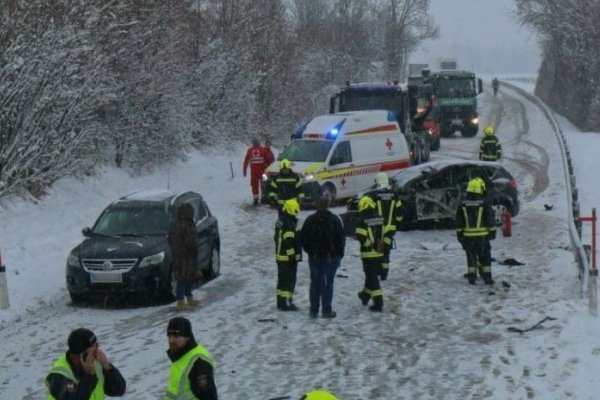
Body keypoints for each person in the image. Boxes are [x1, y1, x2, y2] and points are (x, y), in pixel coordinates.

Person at [45, 328, 126, 400]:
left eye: (97, 346)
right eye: (93, 348)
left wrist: (108, 368)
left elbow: (119, 390)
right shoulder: (60, 375)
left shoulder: (96, 365)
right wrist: (88, 376)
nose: (97, 351)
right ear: (81, 355)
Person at [300, 194, 346, 319]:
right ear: (328, 204)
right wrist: (339, 254)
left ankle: (313, 311)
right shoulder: (334, 220)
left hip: (315, 257)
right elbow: (341, 239)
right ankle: (326, 310)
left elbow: (303, 238)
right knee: (327, 284)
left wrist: (310, 251)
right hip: (329, 258)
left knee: (315, 283)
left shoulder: (310, 220)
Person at [362, 172, 404, 281]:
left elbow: (370, 212)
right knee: (386, 251)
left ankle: (377, 271)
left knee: (378, 250)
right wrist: (396, 223)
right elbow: (400, 214)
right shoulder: (394, 195)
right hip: (390, 230)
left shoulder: (374, 196)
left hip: (378, 229)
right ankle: (384, 274)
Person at [455, 177, 497, 285]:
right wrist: (492, 231)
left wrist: (459, 234)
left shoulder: (463, 203)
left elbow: (459, 220)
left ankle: (472, 277)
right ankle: (487, 277)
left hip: (468, 237)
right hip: (483, 236)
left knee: (471, 256)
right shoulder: (484, 202)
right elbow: (490, 218)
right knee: (485, 256)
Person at [165, 317, 218, 400]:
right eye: (169, 335)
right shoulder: (180, 356)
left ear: (187, 337)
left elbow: (208, 397)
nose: (171, 340)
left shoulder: (199, 363)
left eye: (176, 336)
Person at [355, 196, 392, 312]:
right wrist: (383, 246)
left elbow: (360, 236)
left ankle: (378, 302)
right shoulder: (381, 218)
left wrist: (370, 245)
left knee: (372, 276)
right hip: (379, 253)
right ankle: (365, 296)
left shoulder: (362, 220)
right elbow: (388, 234)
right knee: (371, 275)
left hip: (368, 254)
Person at [168, 203, 201, 311]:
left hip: (179, 254)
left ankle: (188, 298)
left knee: (185, 276)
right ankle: (181, 301)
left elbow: (170, 240)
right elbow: (190, 241)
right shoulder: (186, 225)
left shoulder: (176, 224)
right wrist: (191, 250)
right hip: (186, 255)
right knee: (183, 277)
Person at [275, 198, 302, 311]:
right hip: (288, 258)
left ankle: (280, 301)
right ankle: (287, 303)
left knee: (281, 280)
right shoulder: (290, 223)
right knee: (289, 280)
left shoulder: (280, 220)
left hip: (279, 256)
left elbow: (276, 237)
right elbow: (289, 241)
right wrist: (292, 255)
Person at [243, 137, 269, 205]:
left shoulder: (250, 150)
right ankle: (264, 198)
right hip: (263, 172)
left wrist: (244, 170)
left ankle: (255, 200)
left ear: (252, 143)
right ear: (258, 142)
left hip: (254, 173)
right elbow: (268, 160)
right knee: (265, 184)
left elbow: (246, 161)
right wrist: (267, 169)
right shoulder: (263, 149)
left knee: (254, 186)